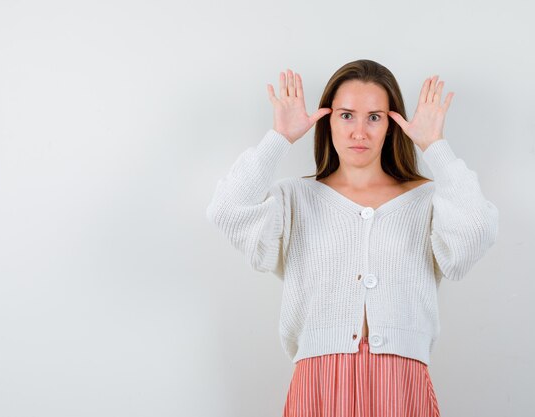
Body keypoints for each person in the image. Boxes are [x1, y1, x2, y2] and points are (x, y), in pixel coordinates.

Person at [205, 59, 499, 417]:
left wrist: (434, 145)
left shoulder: (427, 200)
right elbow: (227, 210)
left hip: (401, 384)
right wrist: (278, 139)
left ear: (392, 125)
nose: (360, 131)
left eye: (374, 117)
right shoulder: (295, 198)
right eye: (346, 115)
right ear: (328, 121)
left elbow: (475, 232)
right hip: (319, 385)